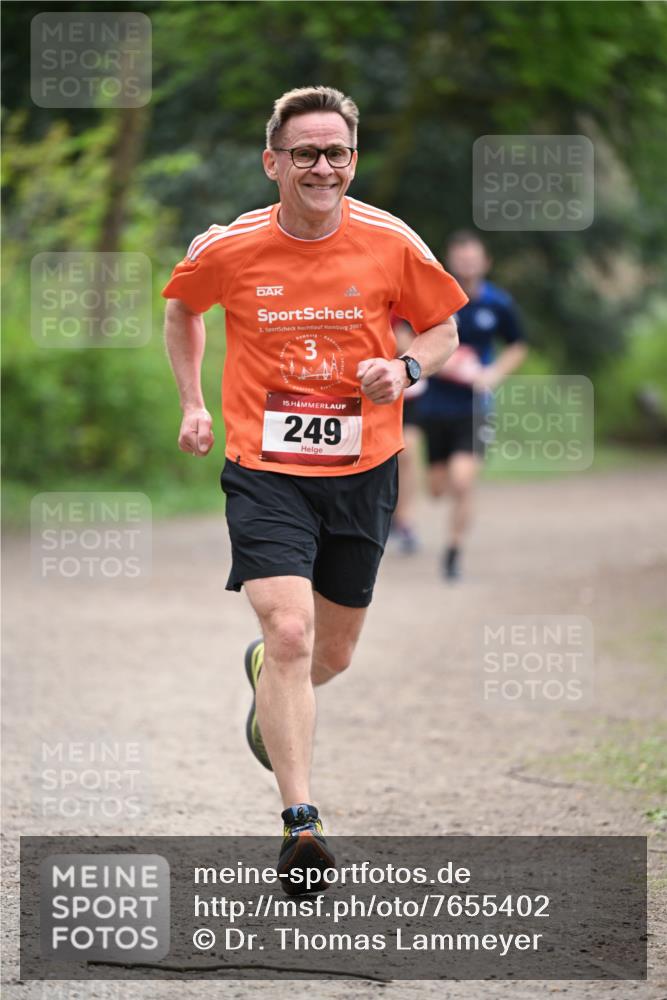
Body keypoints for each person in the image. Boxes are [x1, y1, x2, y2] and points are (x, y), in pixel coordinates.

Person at [162, 86, 466, 889]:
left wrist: (402, 369)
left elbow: (442, 330)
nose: (321, 166)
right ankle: (301, 823)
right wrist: (193, 403)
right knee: (293, 632)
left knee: (329, 652)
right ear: (273, 163)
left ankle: (267, 674)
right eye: (304, 153)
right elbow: (183, 311)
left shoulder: (391, 240)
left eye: (335, 152)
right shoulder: (228, 248)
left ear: (353, 160)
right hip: (264, 472)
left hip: (364, 471)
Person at [392, 231, 528, 579]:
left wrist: (493, 373)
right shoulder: (435, 293)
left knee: (462, 480)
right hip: (433, 402)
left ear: (486, 262)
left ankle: (453, 551)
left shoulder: (498, 303)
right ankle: (423, 508)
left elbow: (518, 345)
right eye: (461, 257)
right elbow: (403, 330)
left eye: (473, 257)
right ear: (451, 261)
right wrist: (434, 361)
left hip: (472, 405)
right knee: (437, 488)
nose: (467, 263)